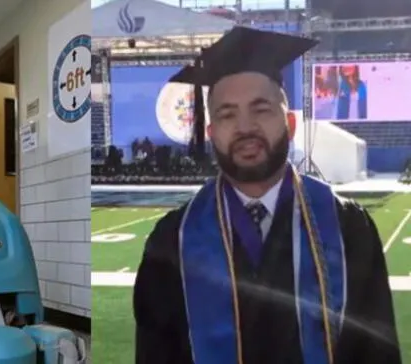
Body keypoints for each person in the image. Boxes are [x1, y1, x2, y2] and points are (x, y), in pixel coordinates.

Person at [133, 27, 401, 364]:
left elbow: (377, 353)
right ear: (212, 133)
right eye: (227, 114)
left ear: (289, 123)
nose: (245, 127)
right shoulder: (172, 241)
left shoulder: (348, 228)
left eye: (261, 109)